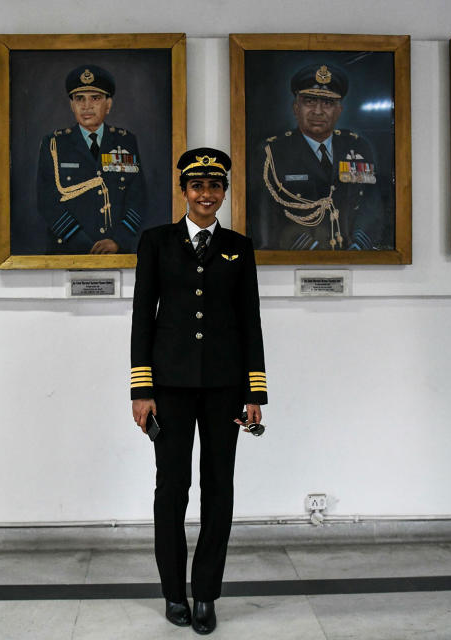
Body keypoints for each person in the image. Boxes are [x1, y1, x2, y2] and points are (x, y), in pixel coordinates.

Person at [130, 148, 268, 635]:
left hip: (225, 389)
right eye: (197, 186)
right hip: (167, 388)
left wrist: (255, 392)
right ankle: (173, 592)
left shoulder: (238, 246)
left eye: (215, 187)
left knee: (218, 489)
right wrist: (140, 390)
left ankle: (206, 591)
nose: (206, 194)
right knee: (171, 490)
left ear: (224, 192)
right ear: (183, 191)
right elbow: (142, 317)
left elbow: (250, 320)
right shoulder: (156, 243)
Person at [249, 63, 388, 251]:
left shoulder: (358, 147)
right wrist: (310, 249)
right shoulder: (271, 152)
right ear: (295, 107)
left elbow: (371, 206)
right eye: (309, 101)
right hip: (295, 255)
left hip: (353, 253)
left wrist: (360, 245)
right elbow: (263, 216)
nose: (318, 111)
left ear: (339, 110)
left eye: (328, 103)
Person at [35, 64, 147, 254]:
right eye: (79, 99)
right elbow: (46, 201)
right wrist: (83, 244)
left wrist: (118, 240)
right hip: (68, 250)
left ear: (108, 104)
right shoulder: (54, 144)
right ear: (72, 105)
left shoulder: (126, 141)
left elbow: (138, 198)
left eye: (95, 98)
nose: (86, 106)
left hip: (116, 251)